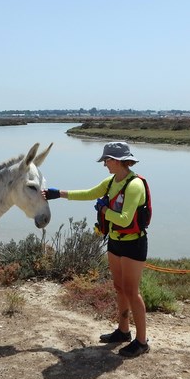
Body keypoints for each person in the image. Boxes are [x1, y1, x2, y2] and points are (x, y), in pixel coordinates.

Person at [43, 141, 150, 357]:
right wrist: (58, 194)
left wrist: (104, 209)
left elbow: (125, 219)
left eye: (107, 160)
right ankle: (123, 331)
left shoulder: (134, 185)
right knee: (119, 287)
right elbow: (89, 193)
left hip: (133, 243)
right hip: (115, 241)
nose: (104, 165)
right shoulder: (111, 182)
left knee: (132, 292)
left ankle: (141, 341)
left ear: (118, 161)